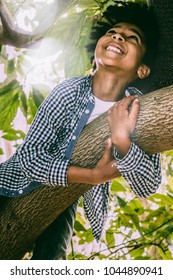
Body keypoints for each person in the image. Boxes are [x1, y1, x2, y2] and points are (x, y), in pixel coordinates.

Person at [0, 1, 162, 259]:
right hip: (8, 186)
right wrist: (93, 175)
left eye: (133, 38)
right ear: (95, 56)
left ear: (142, 69)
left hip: (61, 201)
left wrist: (123, 141)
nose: (118, 35)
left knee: (52, 262)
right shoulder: (68, 91)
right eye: (112, 32)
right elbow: (29, 160)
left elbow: (148, 185)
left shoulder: (138, 109)